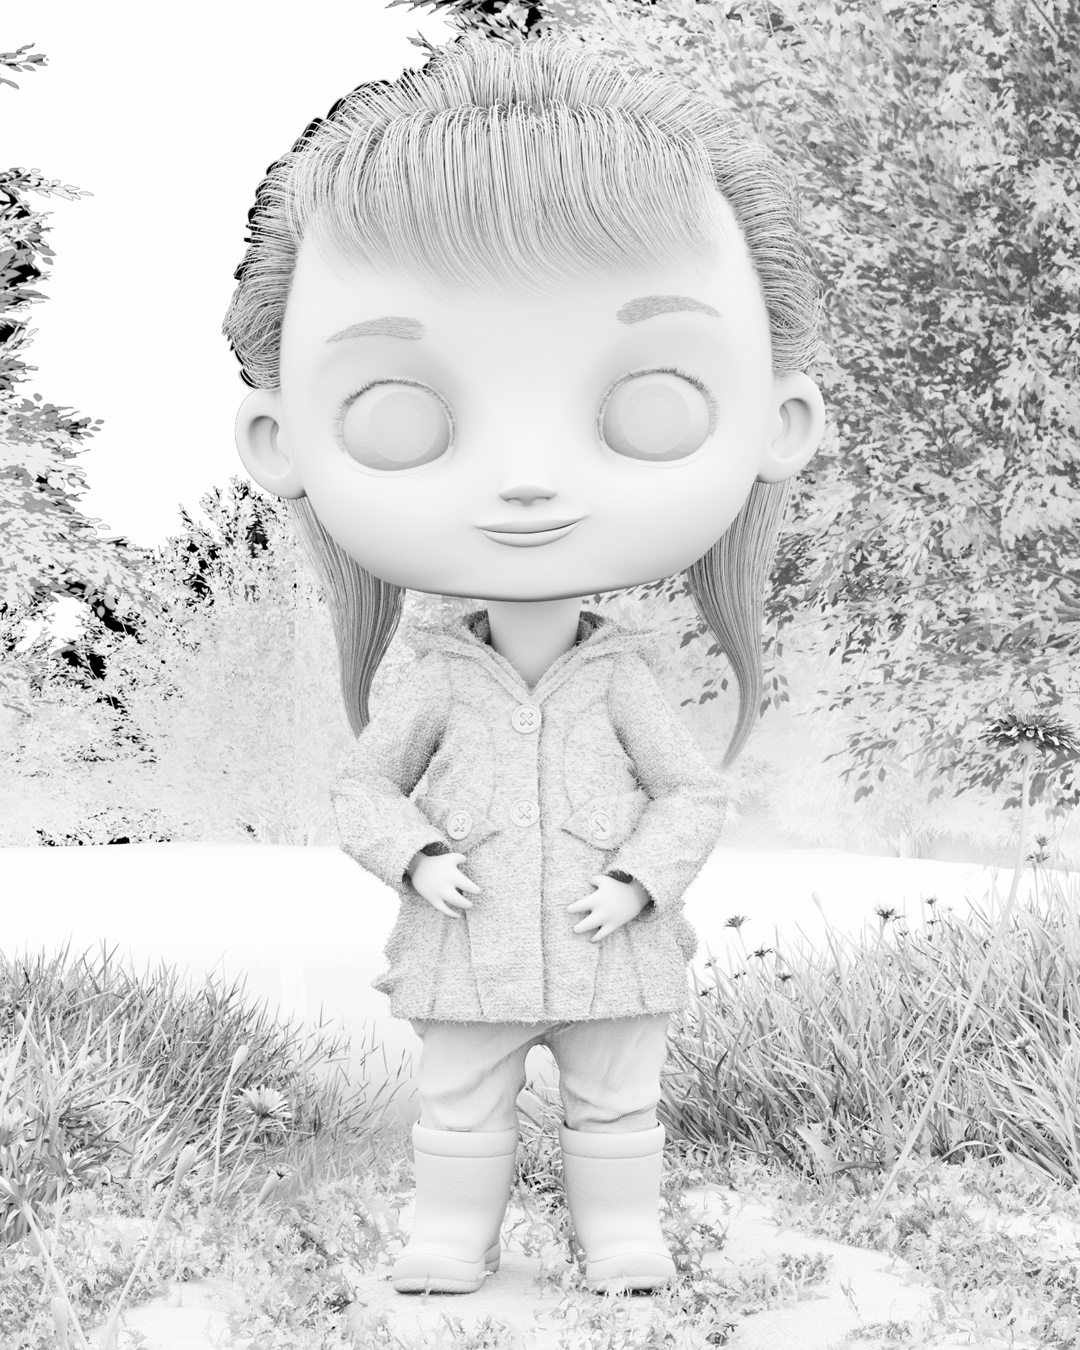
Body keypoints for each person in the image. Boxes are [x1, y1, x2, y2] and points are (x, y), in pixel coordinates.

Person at [224, 34, 825, 1295]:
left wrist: (640, 880)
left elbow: (693, 791)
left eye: (649, 406)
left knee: (618, 1102)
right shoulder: (436, 679)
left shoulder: (624, 679)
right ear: (278, 440)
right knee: (459, 1104)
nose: (529, 478)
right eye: (404, 417)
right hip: (469, 948)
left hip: (613, 949)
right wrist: (416, 857)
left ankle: (622, 1238)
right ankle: (451, 1240)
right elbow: (362, 786)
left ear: (783, 422)